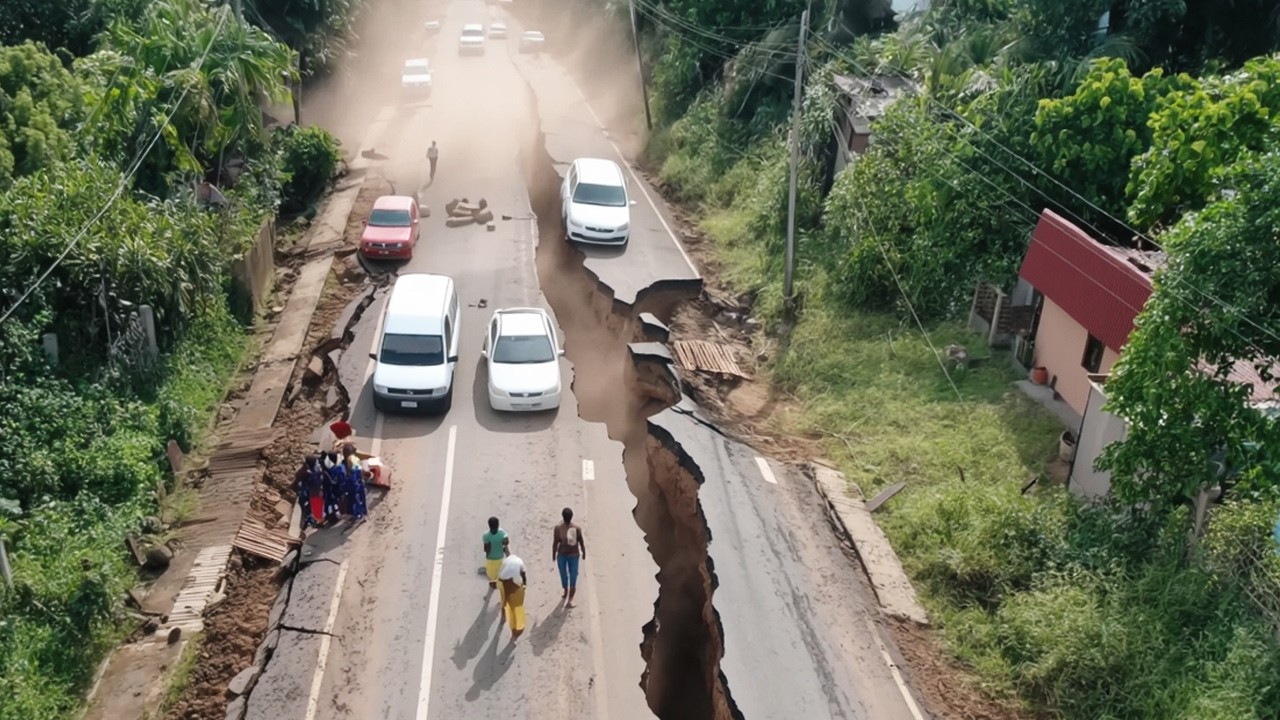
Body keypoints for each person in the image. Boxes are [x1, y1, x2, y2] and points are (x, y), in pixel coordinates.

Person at [552, 507, 587, 607]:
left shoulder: (573, 528)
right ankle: (567, 592)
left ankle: (570, 596)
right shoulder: (559, 528)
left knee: (571, 576)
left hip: (570, 555)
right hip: (566, 555)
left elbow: (580, 541)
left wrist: (553, 554)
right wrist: (583, 552)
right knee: (566, 575)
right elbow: (556, 542)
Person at [497, 553, 528, 641]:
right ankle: (515, 632)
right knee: (515, 607)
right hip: (512, 583)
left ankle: (503, 617)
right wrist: (525, 584)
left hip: (502, 581)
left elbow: (500, 573)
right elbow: (523, 573)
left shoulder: (505, 561)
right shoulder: (520, 562)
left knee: (504, 601)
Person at [294, 454, 325, 529]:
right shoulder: (318, 468)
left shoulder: (305, 472)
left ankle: (308, 521)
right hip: (318, 490)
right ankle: (318, 521)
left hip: (308, 492)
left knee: (303, 506)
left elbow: (297, 478)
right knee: (317, 507)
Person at [340, 443, 368, 521]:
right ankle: (363, 513)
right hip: (360, 481)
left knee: (354, 499)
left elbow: (351, 473)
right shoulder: (356, 458)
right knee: (361, 498)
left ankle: (357, 515)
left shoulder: (349, 459)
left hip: (354, 482)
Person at [482, 517, 510, 589]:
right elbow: (506, 543)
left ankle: (492, 582)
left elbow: (486, 549)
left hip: (490, 559)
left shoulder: (486, 535)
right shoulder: (502, 533)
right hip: (500, 558)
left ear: (489, 526)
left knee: (491, 575)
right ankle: (498, 583)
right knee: (500, 572)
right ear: (498, 525)